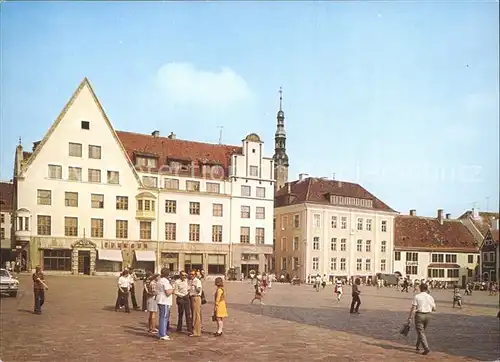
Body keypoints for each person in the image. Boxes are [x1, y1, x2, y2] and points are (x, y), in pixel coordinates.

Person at [407, 283, 436, 355]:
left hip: (419, 315)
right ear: (427, 288)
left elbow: (413, 308)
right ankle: (417, 345)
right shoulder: (430, 297)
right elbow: (434, 309)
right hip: (428, 315)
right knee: (421, 332)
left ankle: (426, 348)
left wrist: (410, 317)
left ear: (420, 288)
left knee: (421, 332)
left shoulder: (417, 296)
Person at [157, 268, 174, 340]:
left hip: (160, 300)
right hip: (165, 301)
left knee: (162, 317)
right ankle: (162, 334)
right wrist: (173, 289)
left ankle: (162, 332)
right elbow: (167, 293)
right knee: (164, 317)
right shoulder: (165, 281)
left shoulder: (160, 280)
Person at [189, 270, 203, 337]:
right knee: (194, 314)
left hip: (196, 297)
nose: (191, 275)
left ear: (195, 275)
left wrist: (194, 285)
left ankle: (196, 332)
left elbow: (198, 290)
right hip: (192, 297)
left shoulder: (197, 281)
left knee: (196, 315)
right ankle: (195, 330)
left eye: (192, 274)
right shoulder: (191, 281)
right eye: (190, 274)